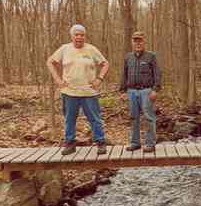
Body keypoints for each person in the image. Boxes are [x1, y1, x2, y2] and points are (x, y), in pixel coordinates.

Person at [47, 24, 109, 156]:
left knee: (95, 119)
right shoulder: (65, 49)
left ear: (85, 36)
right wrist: (58, 80)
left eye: (82, 35)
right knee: (69, 119)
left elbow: (105, 64)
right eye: (76, 34)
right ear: (72, 36)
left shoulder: (91, 49)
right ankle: (70, 143)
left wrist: (99, 79)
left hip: (89, 92)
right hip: (70, 92)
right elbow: (50, 62)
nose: (79, 37)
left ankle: (100, 142)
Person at [120, 31, 161, 153]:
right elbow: (124, 74)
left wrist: (155, 89)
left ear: (144, 42)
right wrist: (123, 90)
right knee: (133, 118)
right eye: (135, 41)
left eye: (140, 41)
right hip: (131, 91)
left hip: (146, 91)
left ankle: (150, 144)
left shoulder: (151, 56)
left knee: (148, 117)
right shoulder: (128, 57)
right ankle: (135, 143)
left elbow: (157, 73)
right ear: (132, 42)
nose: (138, 43)